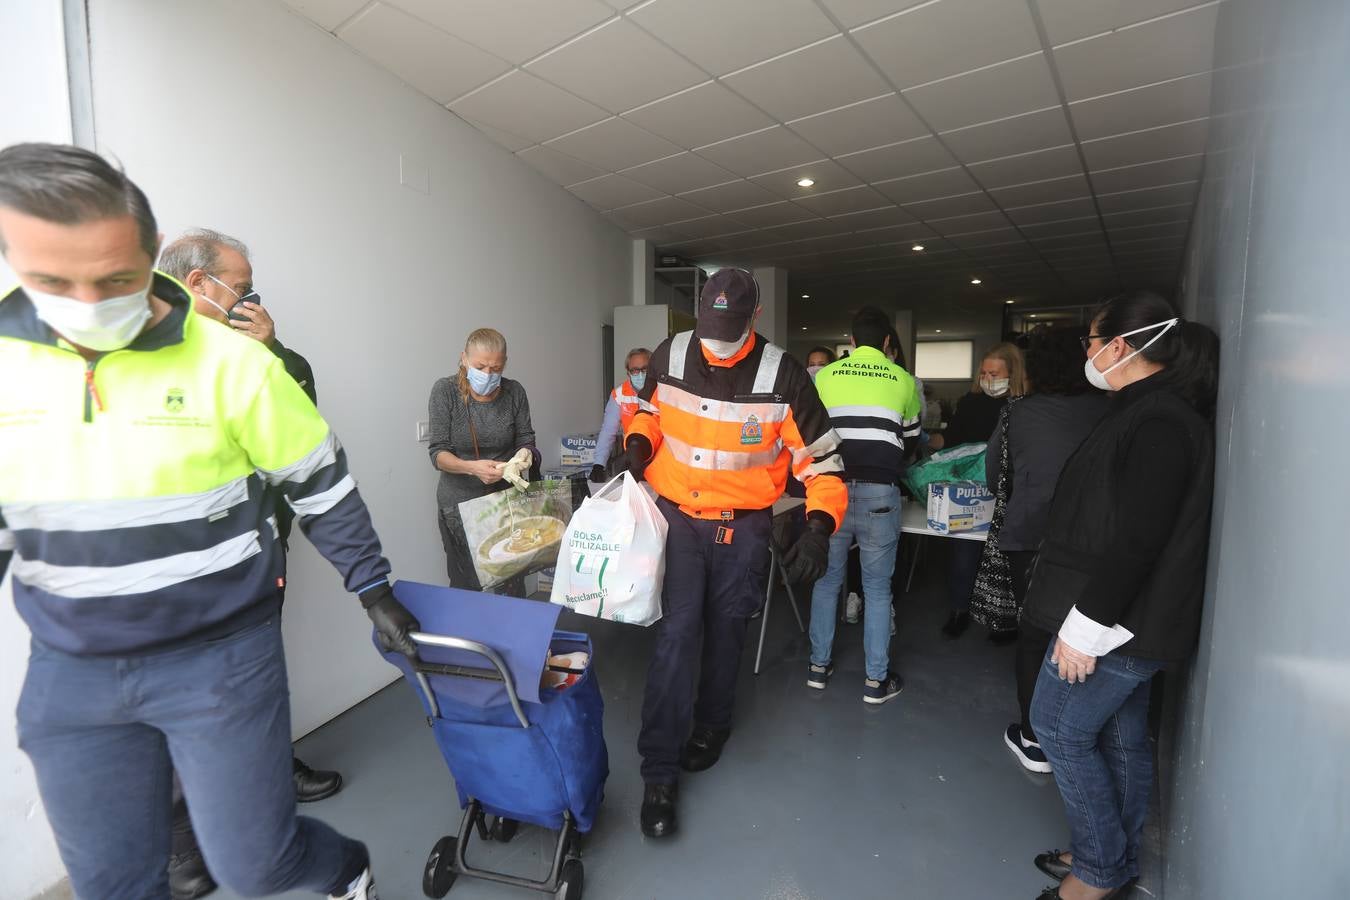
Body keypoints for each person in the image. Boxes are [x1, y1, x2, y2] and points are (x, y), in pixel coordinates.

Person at [0, 142, 419, 900]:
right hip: (73, 669)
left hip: (219, 654)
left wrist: (375, 590)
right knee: (114, 882)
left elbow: (319, 483)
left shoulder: (234, 361)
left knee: (259, 864)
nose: (89, 305)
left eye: (116, 278)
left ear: (148, 257)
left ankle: (343, 871)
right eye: (54, 281)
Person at [624, 268, 847, 838]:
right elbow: (647, 410)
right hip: (678, 519)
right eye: (709, 327)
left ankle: (713, 726)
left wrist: (820, 526)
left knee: (727, 632)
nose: (716, 343)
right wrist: (638, 442)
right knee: (675, 637)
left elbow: (820, 462)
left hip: (742, 525)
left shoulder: (785, 377)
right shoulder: (672, 352)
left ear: (755, 317)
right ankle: (660, 770)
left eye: (729, 329)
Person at [157, 228, 341, 899]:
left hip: (259, 550)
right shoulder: (144, 350)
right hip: (171, 564)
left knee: (256, 673)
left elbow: (302, 421)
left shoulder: (253, 352)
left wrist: (273, 349)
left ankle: (272, 781)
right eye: (241, 283)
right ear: (200, 283)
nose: (249, 296)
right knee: (176, 693)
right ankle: (183, 845)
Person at [1024, 292, 1217, 900]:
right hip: (1133, 618)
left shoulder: (1159, 421)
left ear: (1119, 346)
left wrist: (1083, 628)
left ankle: (1096, 875)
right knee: (1121, 736)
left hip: (1121, 621)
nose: (1086, 351)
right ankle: (1112, 854)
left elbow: (1139, 539)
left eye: (1091, 339)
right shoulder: (1150, 410)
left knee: (1056, 726)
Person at [980, 329, 1108, 774]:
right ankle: (1081, 732)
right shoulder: (1111, 410)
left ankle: (1035, 738)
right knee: (1090, 634)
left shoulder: (1019, 412)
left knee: (1035, 634)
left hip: (1030, 535)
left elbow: (995, 474)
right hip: (1093, 539)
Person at [806, 307, 921, 703]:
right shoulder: (904, 379)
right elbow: (912, 437)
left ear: (850, 341)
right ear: (888, 342)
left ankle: (818, 668)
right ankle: (876, 680)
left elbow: (809, 429)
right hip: (879, 492)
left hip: (830, 489)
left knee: (826, 582)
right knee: (876, 588)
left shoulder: (824, 376)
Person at [427, 328, 539, 594]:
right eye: (480, 366)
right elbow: (438, 453)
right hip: (458, 507)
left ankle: (510, 634)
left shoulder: (514, 392)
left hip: (506, 505)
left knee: (511, 581)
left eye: (495, 368)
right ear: (464, 359)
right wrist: (470, 468)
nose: (488, 374)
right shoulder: (445, 392)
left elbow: (526, 437)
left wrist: (526, 454)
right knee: (467, 584)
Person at [932, 342, 1026, 638]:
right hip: (970, 488)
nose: (988, 379)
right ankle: (959, 609)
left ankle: (1004, 619)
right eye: (984, 373)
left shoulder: (1026, 405)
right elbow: (952, 440)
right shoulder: (970, 401)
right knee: (965, 551)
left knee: (1007, 555)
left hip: (1012, 489)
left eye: (994, 373)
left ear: (1013, 374)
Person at [590, 347, 650, 482]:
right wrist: (599, 464)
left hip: (660, 458)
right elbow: (608, 431)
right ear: (628, 373)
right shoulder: (619, 394)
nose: (640, 374)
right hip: (633, 456)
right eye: (635, 370)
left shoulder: (664, 392)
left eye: (645, 369)